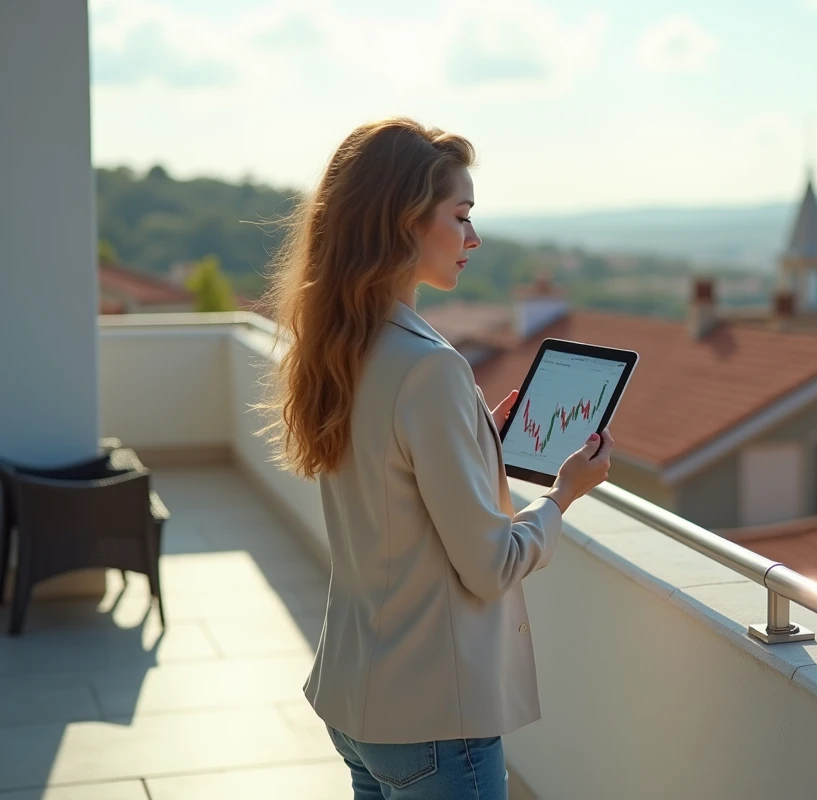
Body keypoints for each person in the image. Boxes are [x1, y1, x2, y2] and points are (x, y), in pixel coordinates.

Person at [257, 117, 614, 799]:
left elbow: (392, 490)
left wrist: (479, 435)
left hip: (360, 704)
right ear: (404, 223)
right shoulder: (428, 370)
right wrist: (564, 494)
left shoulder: (338, 348)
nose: (473, 239)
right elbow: (491, 567)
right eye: (461, 216)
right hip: (434, 724)